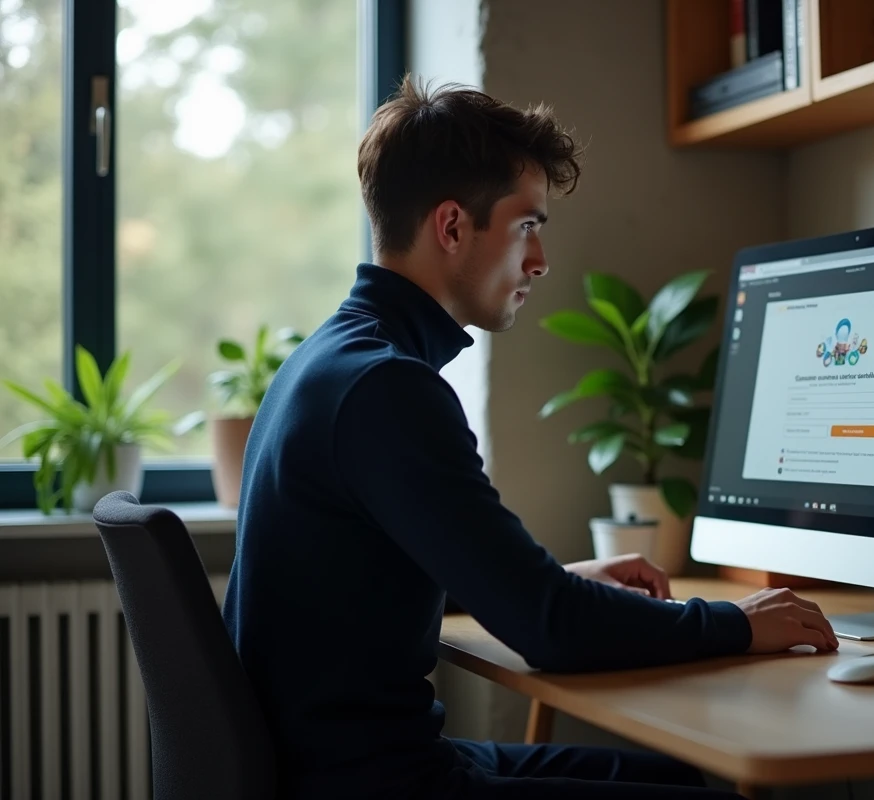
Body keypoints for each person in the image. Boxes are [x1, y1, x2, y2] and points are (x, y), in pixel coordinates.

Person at [222, 75, 839, 800]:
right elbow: (553, 634)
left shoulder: (333, 359)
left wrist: (556, 585)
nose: (540, 260)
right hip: (380, 784)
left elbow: (396, 576)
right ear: (452, 227)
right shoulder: (387, 388)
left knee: (672, 773)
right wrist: (735, 623)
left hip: (351, 768)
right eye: (526, 226)